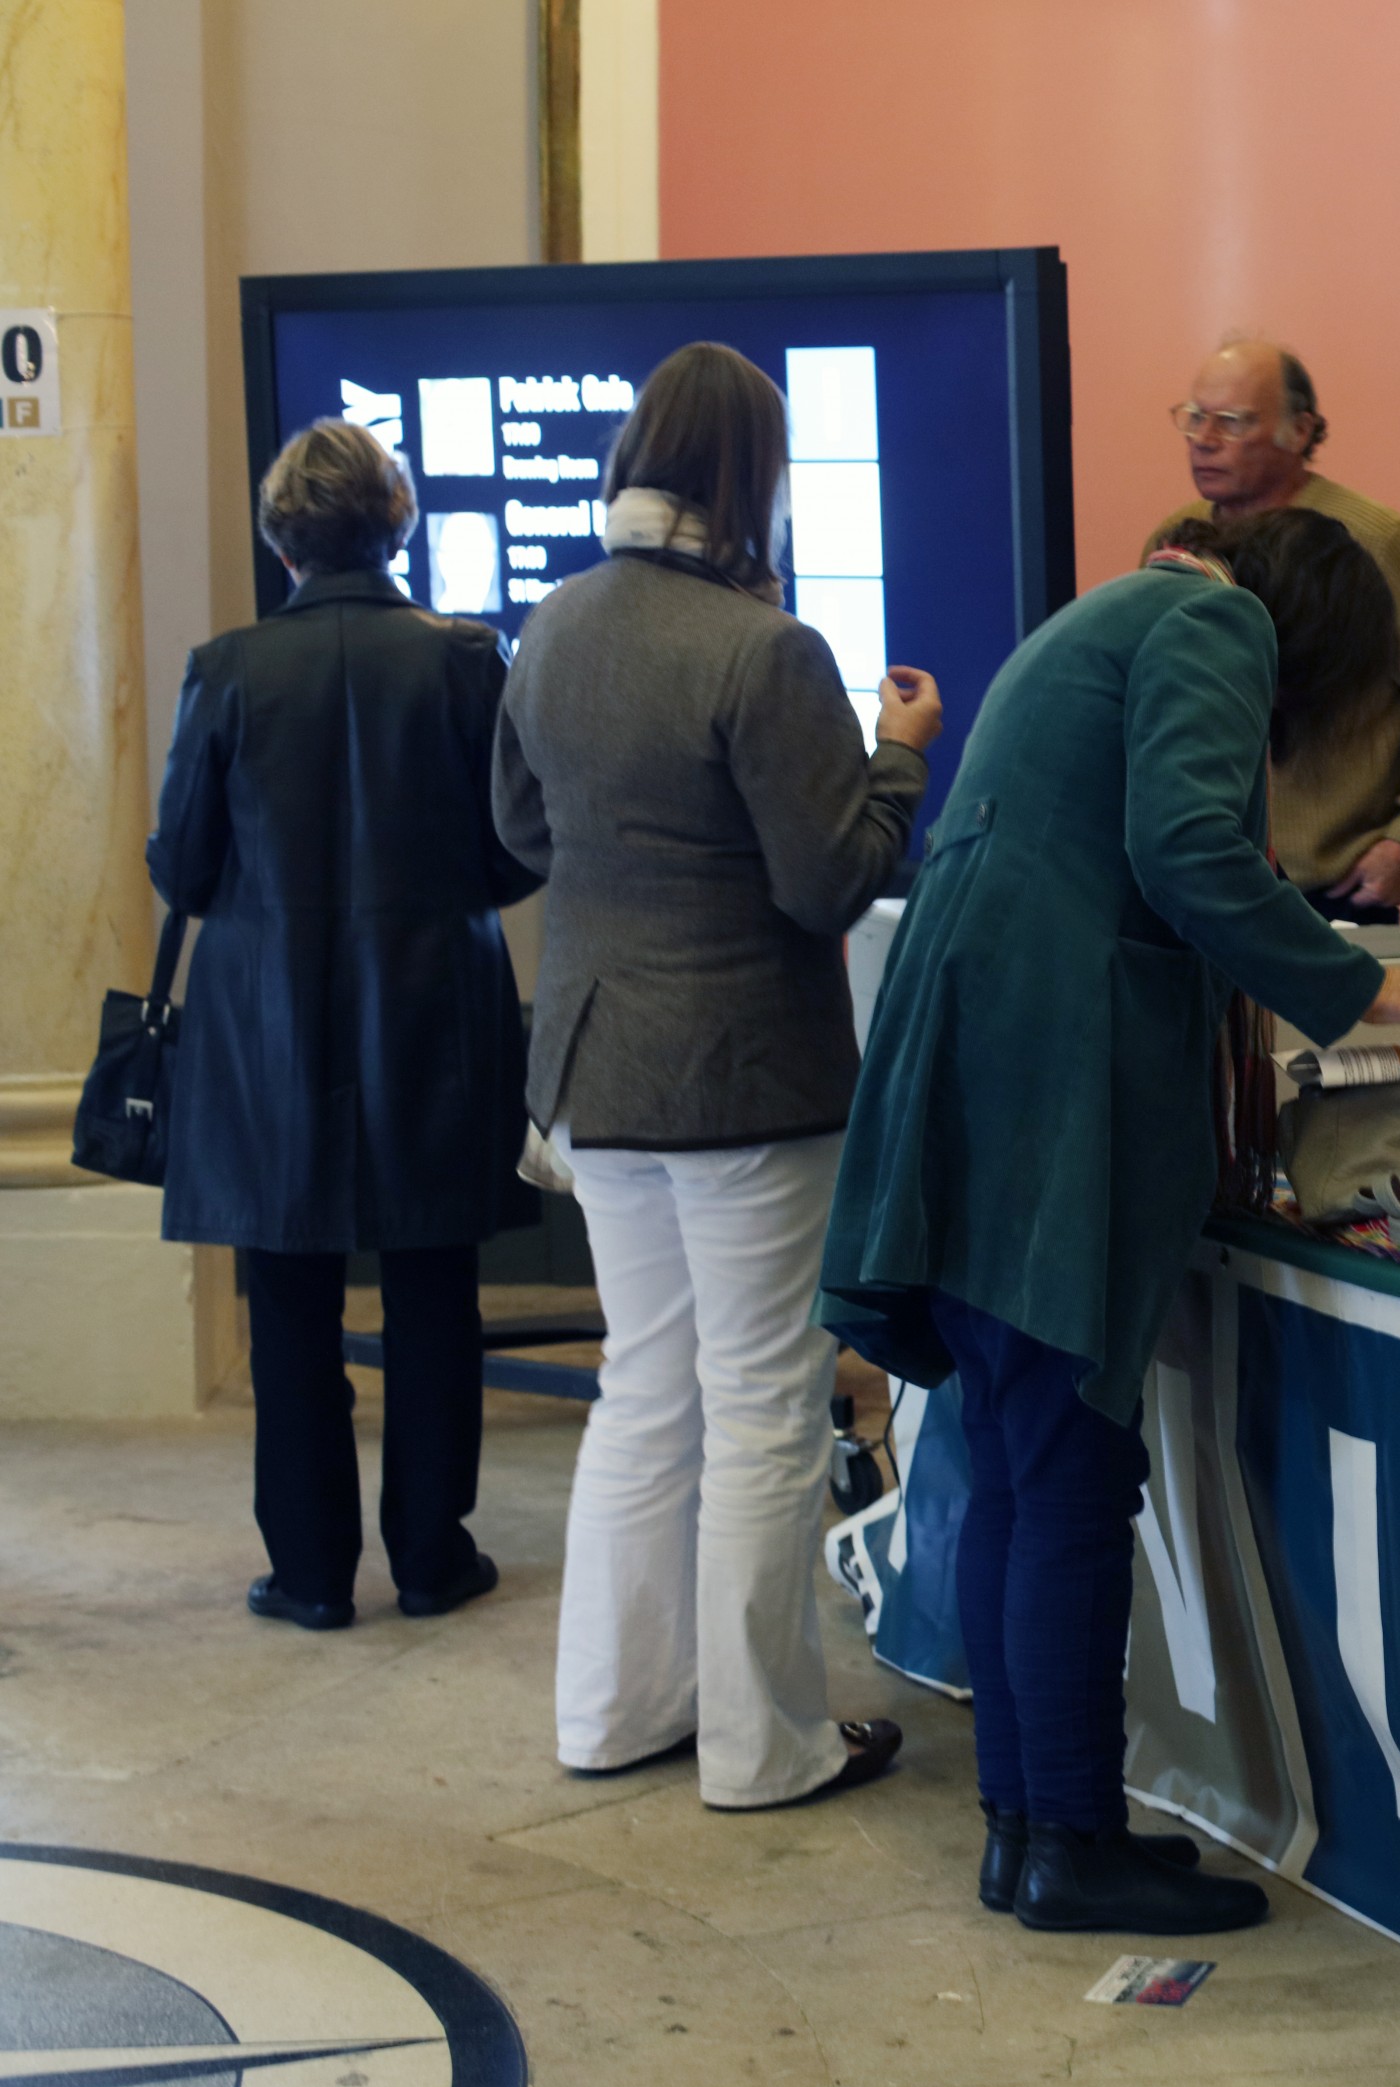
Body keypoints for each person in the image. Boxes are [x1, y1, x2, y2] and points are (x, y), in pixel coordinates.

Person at [818, 508, 1400, 1938]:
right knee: (1065, 1468)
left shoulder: (1097, 621)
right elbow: (1187, 850)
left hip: (980, 1075)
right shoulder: (1211, 621)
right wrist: (1370, 992)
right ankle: (1065, 1838)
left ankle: (1028, 1825)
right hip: (1052, 1097)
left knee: (1014, 1460)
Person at [494, 342, 933, 1810]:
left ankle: (612, 1712)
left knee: (644, 1392)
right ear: (756, 475)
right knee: (761, 1403)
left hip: (596, 1067)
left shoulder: (551, 626)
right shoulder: (767, 650)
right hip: (746, 1076)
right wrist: (899, 757)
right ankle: (762, 1745)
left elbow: (518, 828)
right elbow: (829, 884)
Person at [148, 417, 538, 1633]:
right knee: (434, 1292)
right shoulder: (468, 657)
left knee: (288, 1300)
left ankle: (309, 1576)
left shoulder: (227, 669)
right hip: (436, 1008)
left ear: (282, 537)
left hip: (267, 1021)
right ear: (395, 522)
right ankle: (433, 1558)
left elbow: (183, 867)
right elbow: (513, 852)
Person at [1145, 337, 1400, 923]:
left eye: (1233, 422)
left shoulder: (1376, 542)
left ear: (1300, 430)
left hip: (1327, 887)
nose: (1203, 440)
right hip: (1200, 872)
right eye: (1193, 418)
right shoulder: (1175, 542)